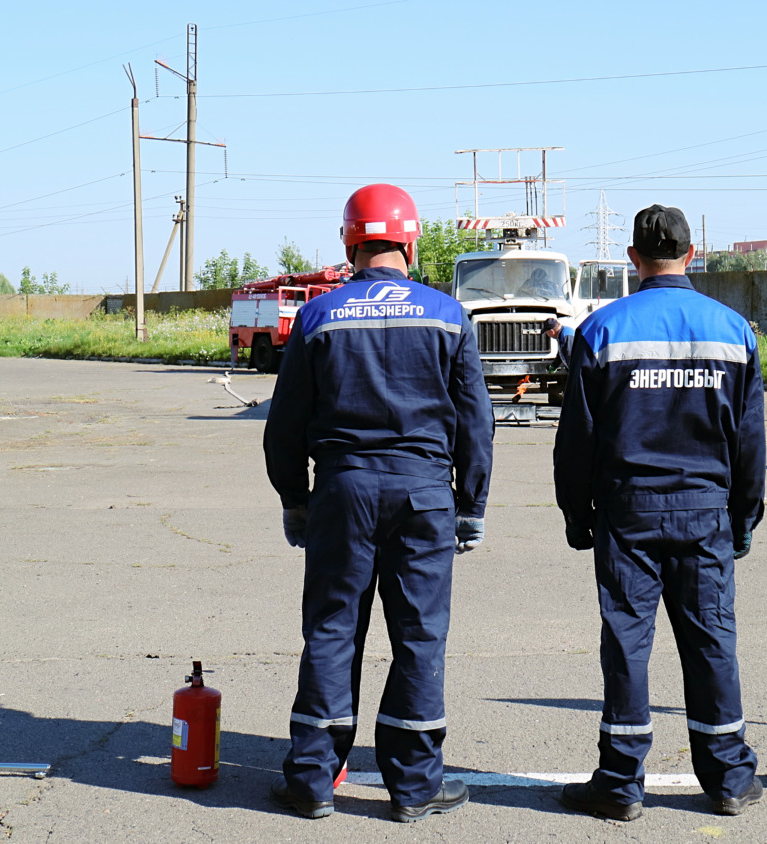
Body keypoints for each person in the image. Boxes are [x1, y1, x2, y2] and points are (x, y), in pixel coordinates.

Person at [262, 184, 494, 823]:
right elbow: (476, 423)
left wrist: (296, 500)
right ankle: (415, 787)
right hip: (423, 496)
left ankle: (312, 779)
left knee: (333, 629)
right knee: (419, 635)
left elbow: (284, 426)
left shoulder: (318, 316)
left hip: (344, 490)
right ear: (410, 243)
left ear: (349, 242)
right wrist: (470, 503)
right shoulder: (449, 316)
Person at [553, 204, 766, 821]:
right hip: (706, 513)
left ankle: (620, 785)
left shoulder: (603, 330)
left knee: (626, 643)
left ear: (633, 260)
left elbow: (578, 438)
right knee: (710, 641)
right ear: (692, 255)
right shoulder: (733, 330)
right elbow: (748, 440)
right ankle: (727, 777)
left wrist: (576, 512)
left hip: (628, 512)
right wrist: (743, 518)